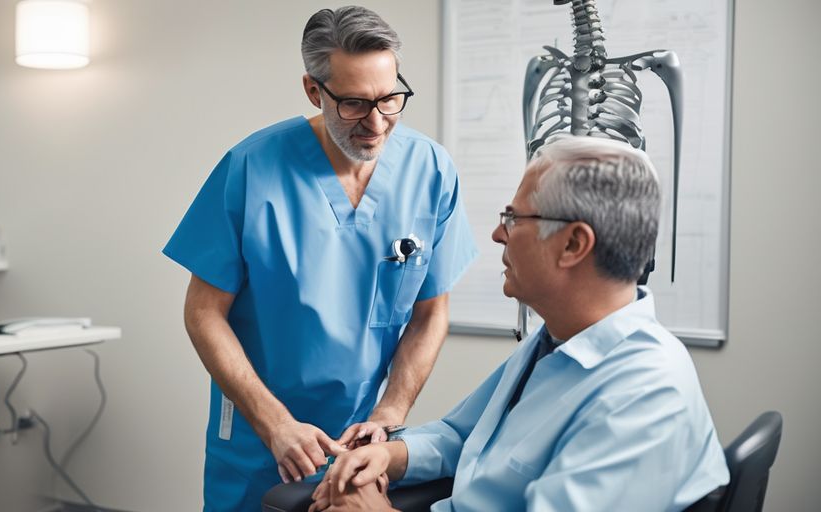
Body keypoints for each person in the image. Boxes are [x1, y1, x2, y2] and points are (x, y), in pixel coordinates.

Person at [162, 6, 478, 510]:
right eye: (354, 104)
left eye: (391, 99)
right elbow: (203, 312)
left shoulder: (430, 169)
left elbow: (430, 312)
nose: (377, 124)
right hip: (257, 434)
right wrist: (276, 425)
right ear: (314, 91)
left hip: (361, 440)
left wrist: (389, 414)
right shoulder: (252, 167)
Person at [311, 135, 729, 511]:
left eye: (514, 219)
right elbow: (464, 437)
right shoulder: (556, 340)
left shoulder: (646, 393)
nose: (497, 234)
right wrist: (388, 456)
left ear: (573, 244)